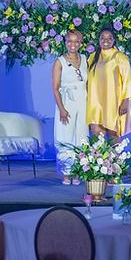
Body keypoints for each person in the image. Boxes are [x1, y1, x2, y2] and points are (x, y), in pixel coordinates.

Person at [52, 29, 89, 185]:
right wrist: (61, 108)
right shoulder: (59, 61)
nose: (73, 44)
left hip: (83, 101)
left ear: (80, 43)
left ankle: (79, 170)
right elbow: (55, 87)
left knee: (81, 136)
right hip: (67, 102)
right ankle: (66, 172)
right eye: (69, 41)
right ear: (65, 42)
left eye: (76, 41)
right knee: (66, 136)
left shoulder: (85, 58)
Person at [86, 27, 131, 138]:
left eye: (109, 38)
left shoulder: (120, 57)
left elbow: (127, 81)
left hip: (113, 101)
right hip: (95, 101)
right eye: (102, 38)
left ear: (114, 40)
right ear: (98, 40)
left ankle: (114, 155)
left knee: (113, 132)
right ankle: (98, 155)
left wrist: (125, 101)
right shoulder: (93, 57)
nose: (106, 40)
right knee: (97, 132)